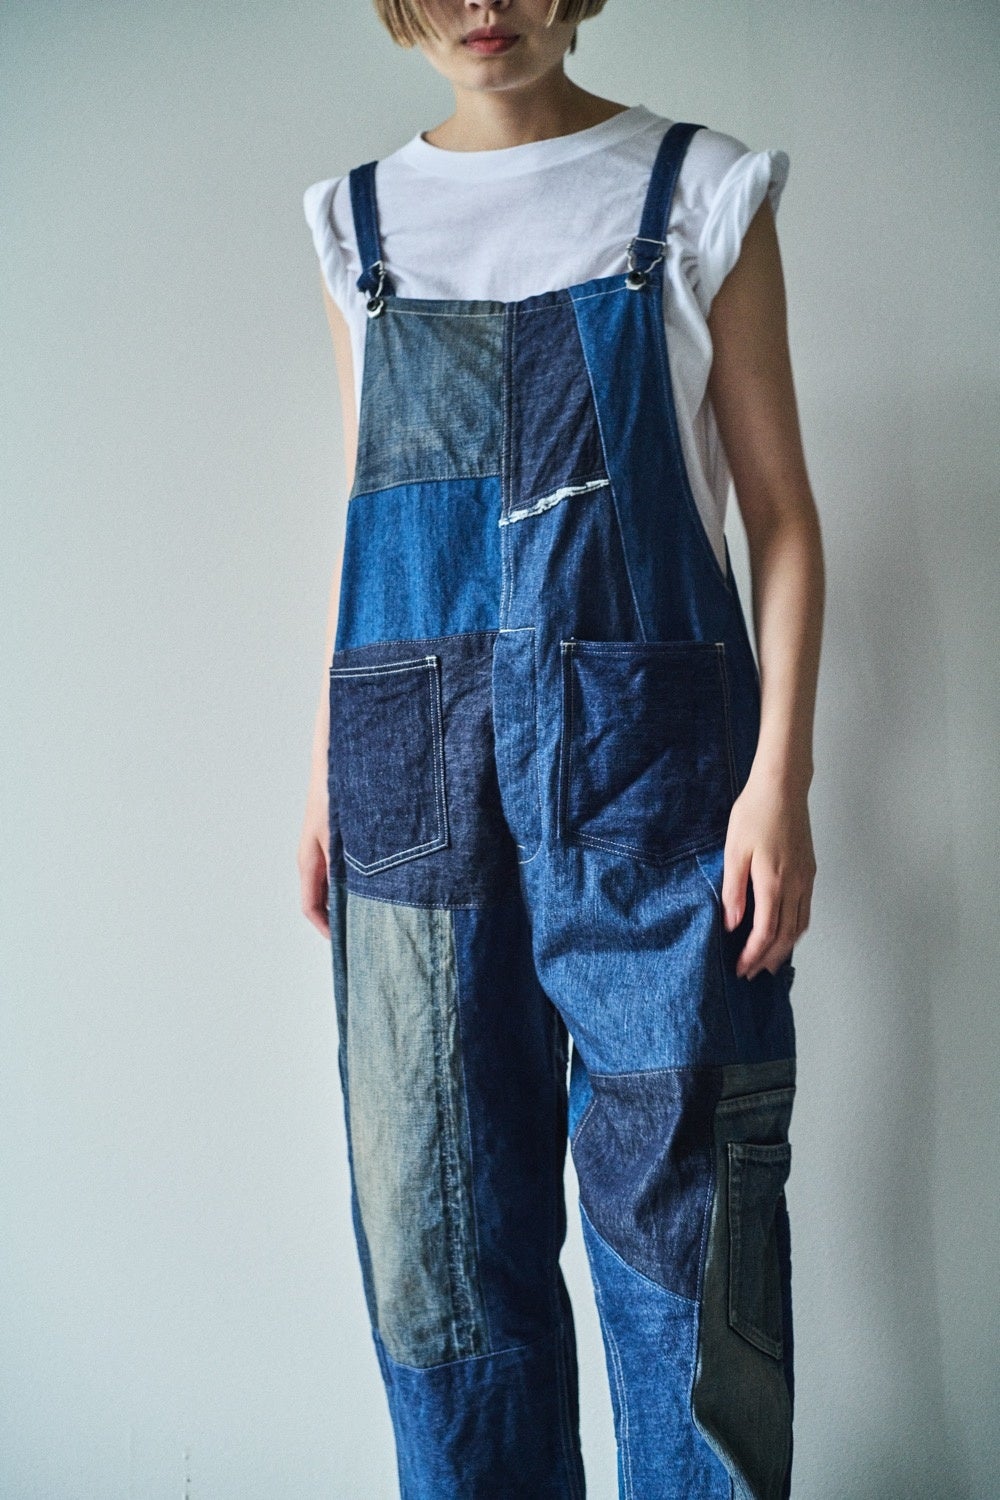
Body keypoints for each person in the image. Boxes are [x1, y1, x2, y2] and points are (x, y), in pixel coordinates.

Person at [297, 1, 824, 1495]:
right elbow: (367, 522)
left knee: (691, 1243)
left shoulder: (697, 190)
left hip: (663, 786)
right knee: (442, 1242)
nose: (486, 3)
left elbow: (782, 518)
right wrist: (324, 770)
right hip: (407, 781)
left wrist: (781, 777)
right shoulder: (357, 226)